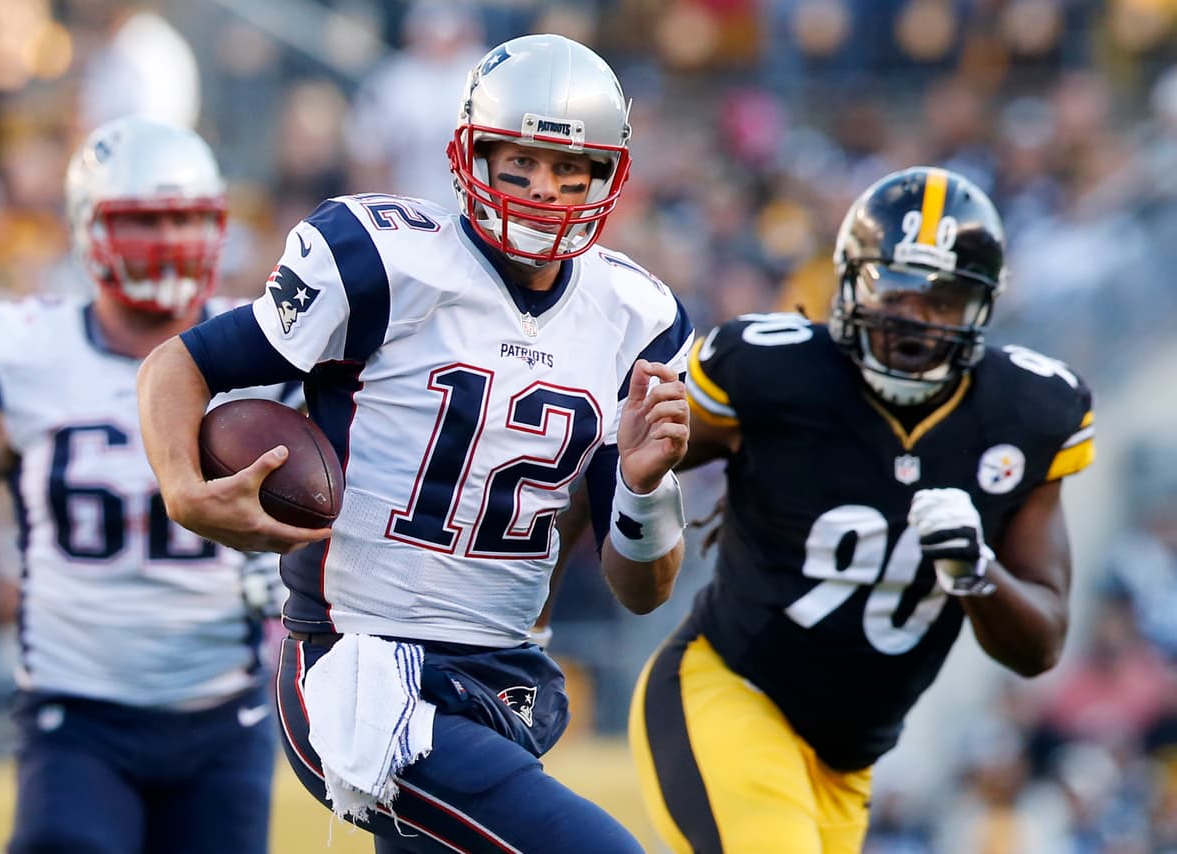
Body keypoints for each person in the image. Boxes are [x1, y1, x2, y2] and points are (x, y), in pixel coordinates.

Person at [136, 33, 693, 853]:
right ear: (472, 154)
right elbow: (179, 363)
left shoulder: (637, 318)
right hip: (361, 665)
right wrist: (184, 487)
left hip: (502, 677)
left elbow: (642, 589)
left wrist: (643, 489)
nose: (547, 189)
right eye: (522, 164)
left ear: (608, 176)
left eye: (572, 170)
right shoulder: (384, 260)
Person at [628, 166, 1096, 853]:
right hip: (728, 690)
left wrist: (975, 571)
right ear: (847, 280)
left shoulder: (1028, 412)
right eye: (896, 289)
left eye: (944, 300)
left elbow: (1042, 642)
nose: (914, 320)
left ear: (982, 309)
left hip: (846, 764)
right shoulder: (774, 372)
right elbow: (626, 462)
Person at [0, 116, 296, 854]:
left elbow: (344, 520)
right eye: (145, 219)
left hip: (222, 711)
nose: (169, 238)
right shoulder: (24, 348)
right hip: (75, 711)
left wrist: (290, 577)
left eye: (186, 218)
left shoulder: (267, 350)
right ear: (88, 228)